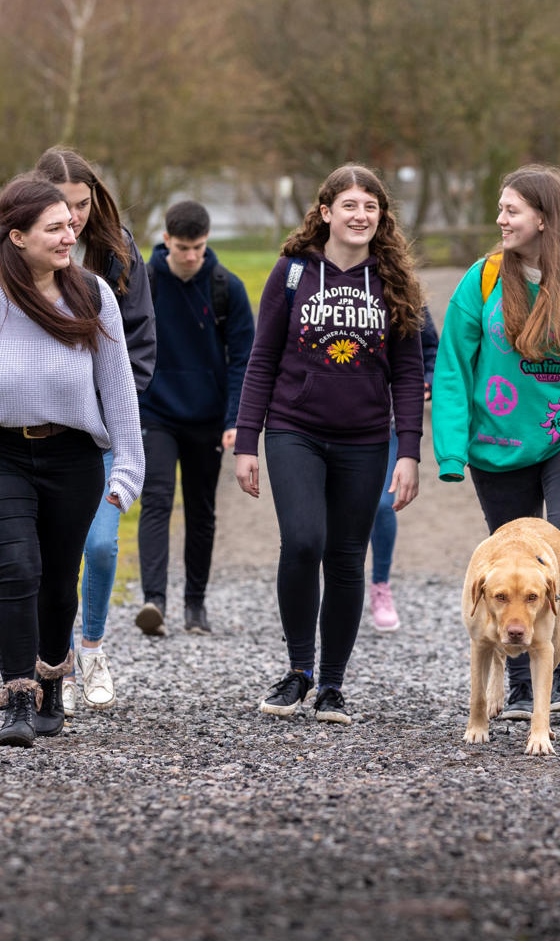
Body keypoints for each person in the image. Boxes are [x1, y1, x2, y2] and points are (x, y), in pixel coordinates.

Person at [0, 174, 144, 748]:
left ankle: (52, 675)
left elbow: (119, 393)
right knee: (19, 566)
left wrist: (126, 473)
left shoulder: (93, 295)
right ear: (17, 236)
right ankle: (18, 698)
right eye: (55, 227)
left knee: (58, 581)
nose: (71, 234)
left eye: (72, 224)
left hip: (72, 457)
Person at [432, 164, 560, 719]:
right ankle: (522, 684)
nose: (500, 218)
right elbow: (453, 367)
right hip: (498, 443)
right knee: (513, 566)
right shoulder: (483, 281)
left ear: (544, 219)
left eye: (511, 210)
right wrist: (451, 449)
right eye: (500, 208)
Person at [234, 164, 425, 724]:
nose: (360, 215)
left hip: (366, 440)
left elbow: (409, 375)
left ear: (380, 217)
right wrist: (248, 439)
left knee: (346, 556)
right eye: (349, 206)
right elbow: (262, 359)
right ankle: (299, 671)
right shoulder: (292, 274)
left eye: (371, 207)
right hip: (295, 429)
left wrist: (408, 451)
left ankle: (333, 686)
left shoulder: (394, 283)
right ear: (326, 213)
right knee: (302, 540)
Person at [35, 146, 156, 715]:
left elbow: (141, 342)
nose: (74, 217)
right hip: (42, 431)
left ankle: (94, 650)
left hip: (103, 429)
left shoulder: (118, 252)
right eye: (62, 206)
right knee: (47, 556)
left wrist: (115, 411)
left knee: (101, 545)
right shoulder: (20, 247)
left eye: (81, 204)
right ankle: (46, 665)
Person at [135, 200, 254, 637]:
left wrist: (235, 418)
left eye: (198, 247)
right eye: (182, 247)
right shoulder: (143, 284)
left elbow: (244, 359)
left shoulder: (227, 287)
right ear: (166, 240)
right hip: (156, 413)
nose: (190, 256)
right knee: (158, 500)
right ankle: (154, 601)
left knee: (202, 511)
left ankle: (195, 606)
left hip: (207, 418)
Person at [367, 306, 438, 632]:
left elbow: (430, 348)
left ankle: (380, 585)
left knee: (383, 504)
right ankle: (341, 589)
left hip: (389, 425)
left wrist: (428, 379)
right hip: (330, 425)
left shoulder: (405, 294)